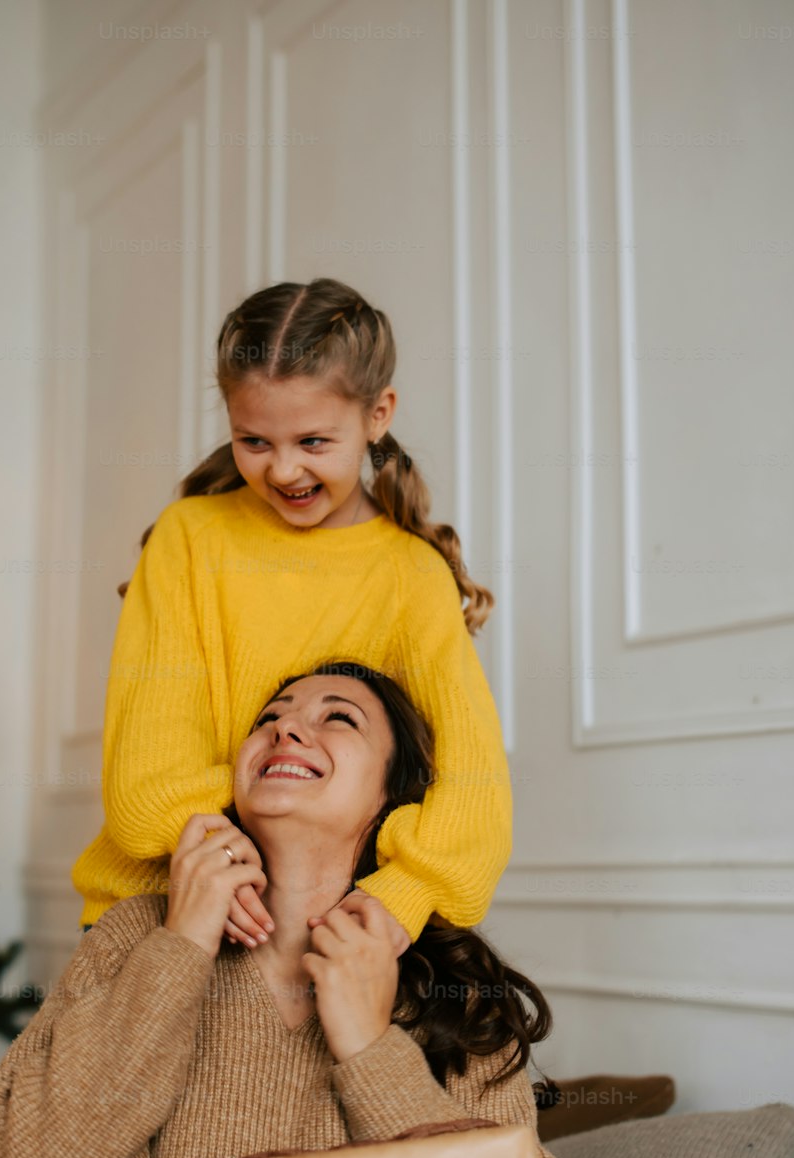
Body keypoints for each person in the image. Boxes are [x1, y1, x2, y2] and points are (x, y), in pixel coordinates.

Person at [0, 664, 581, 1158]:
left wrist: (372, 1049)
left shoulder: (449, 982)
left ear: (394, 794)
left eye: (339, 718)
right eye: (269, 718)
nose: (284, 731)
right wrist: (180, 946)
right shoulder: (137, 933)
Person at [70, 276, 513, 956]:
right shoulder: (190, 537)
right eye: (254, 441)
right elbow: (143, 775)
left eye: (312, 442)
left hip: (329, 926)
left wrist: (409, 892)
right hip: (157, 909)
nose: (282, 470)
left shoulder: (410, 576)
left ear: (378, 415)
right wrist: (215, 853)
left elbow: (472, 779)